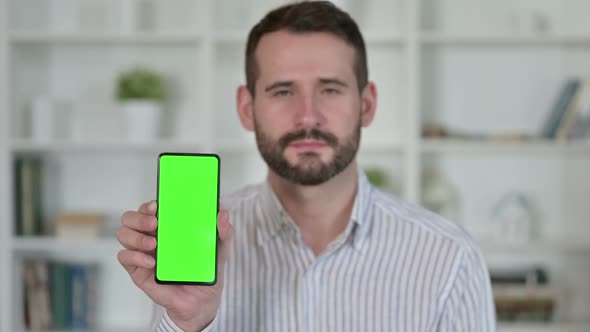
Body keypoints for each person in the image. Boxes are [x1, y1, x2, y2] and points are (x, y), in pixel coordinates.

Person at [116, 1, 496, 331]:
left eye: (330, 89)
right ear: (247, 109)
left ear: (367, 104)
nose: (308, 116)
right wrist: (186, 324)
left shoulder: (449, 258)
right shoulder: (201, 249)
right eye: (283, 91)